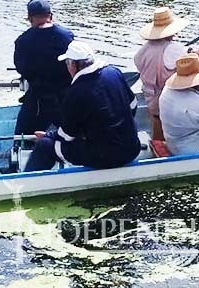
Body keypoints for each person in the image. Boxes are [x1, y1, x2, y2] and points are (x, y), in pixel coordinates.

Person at [24, 41, 141, 172]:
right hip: (132, 148)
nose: (67, 67)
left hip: (107, 157)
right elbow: (133, 105)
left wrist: (48, 136)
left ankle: (24, 185)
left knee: (44, 146)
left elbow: (66, 136)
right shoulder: (114, 73)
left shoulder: (76, 91)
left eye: (67, 63)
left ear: (73, 64)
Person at [134, 7, 199, 140]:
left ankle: (158, 144)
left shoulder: (140, 53)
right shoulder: (174, 49)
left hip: (152, 104)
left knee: (158, 125)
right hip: (172, 104)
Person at [12, 0, 74, 135]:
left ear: (29, 18)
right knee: (72, 131)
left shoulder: (23, 40)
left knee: (21, 136)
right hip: (66, 96)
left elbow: (21, 69)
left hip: (39, 98)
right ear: (50, 15)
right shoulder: (66, 35)